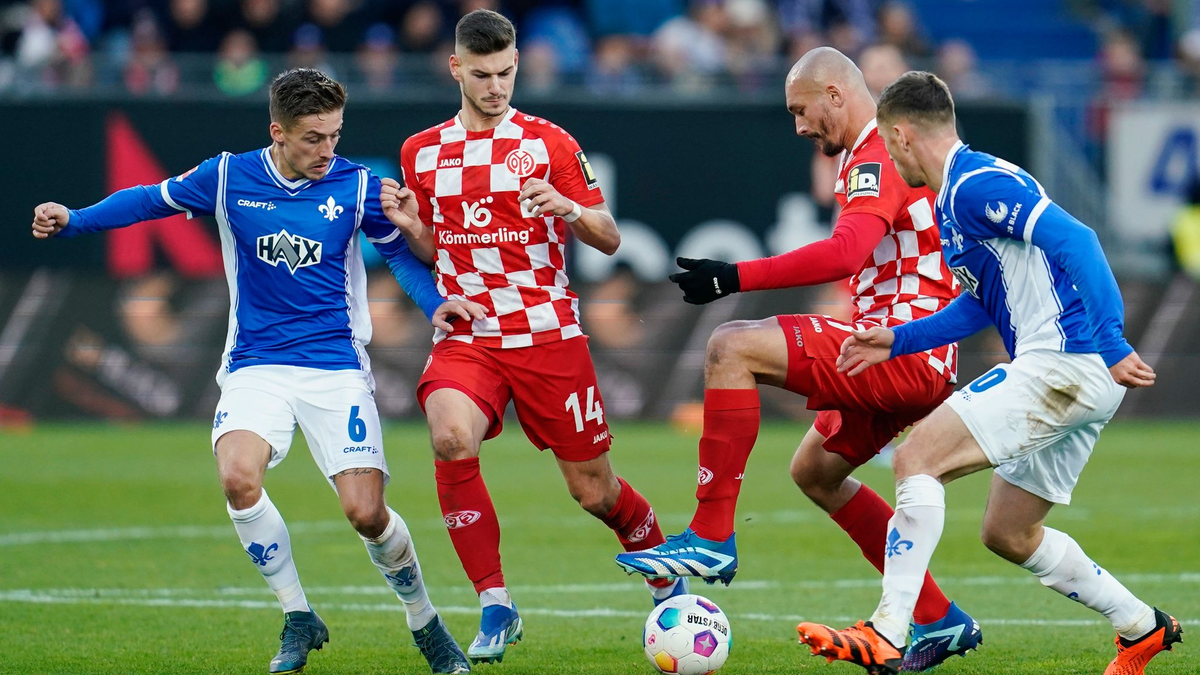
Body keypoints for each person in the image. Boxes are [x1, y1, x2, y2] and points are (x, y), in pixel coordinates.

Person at [30, 68, 476, 675]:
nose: (328, 149)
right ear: (278, 132)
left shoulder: (358, 186)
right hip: (256, 365)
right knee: (239, 479)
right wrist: (75, 217)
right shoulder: (226, 177)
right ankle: (298, 615)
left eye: (335, 135)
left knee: (366, 514)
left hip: (336, 368)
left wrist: (434, 306)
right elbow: (149, 199)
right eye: (314, 138)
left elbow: (400, 257)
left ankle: (424, 621)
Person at [797, 71, 1182, 675]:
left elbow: (1079, 240)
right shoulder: (956, 196)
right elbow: (981, 302)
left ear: (900, 136)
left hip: (1063, 362)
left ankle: (887, 631)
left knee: (916, 458)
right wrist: (899, 339)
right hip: (1074, 371)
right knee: (1010, 532)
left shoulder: (975, 184)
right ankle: (1141, 627)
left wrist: (1110, 341)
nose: (888, 160)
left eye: (887, 146)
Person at [613, 47, 981, 671]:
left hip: (898, 349)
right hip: (902, 352)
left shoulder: (878, 153)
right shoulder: (872, 155)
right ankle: (939, 617)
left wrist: (733, 277)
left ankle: (710, 535)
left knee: (731, 346)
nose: (799, 126)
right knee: (815, 472)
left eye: (801, 110)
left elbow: (844, 254)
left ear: (835, 95)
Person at [384, 9, 686, 665]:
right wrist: (413, 229)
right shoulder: (421, 151)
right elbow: (439, 250)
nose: (496, 87)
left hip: (547, 333)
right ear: (455, 68)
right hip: (470, 334)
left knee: (594, 491)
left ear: (517, 63)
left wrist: (569, 206)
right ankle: (495, 601)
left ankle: (665, 574)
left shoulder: (550, 142)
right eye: (482, 75)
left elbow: (609, 236)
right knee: (450, 436)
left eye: (505, 73)